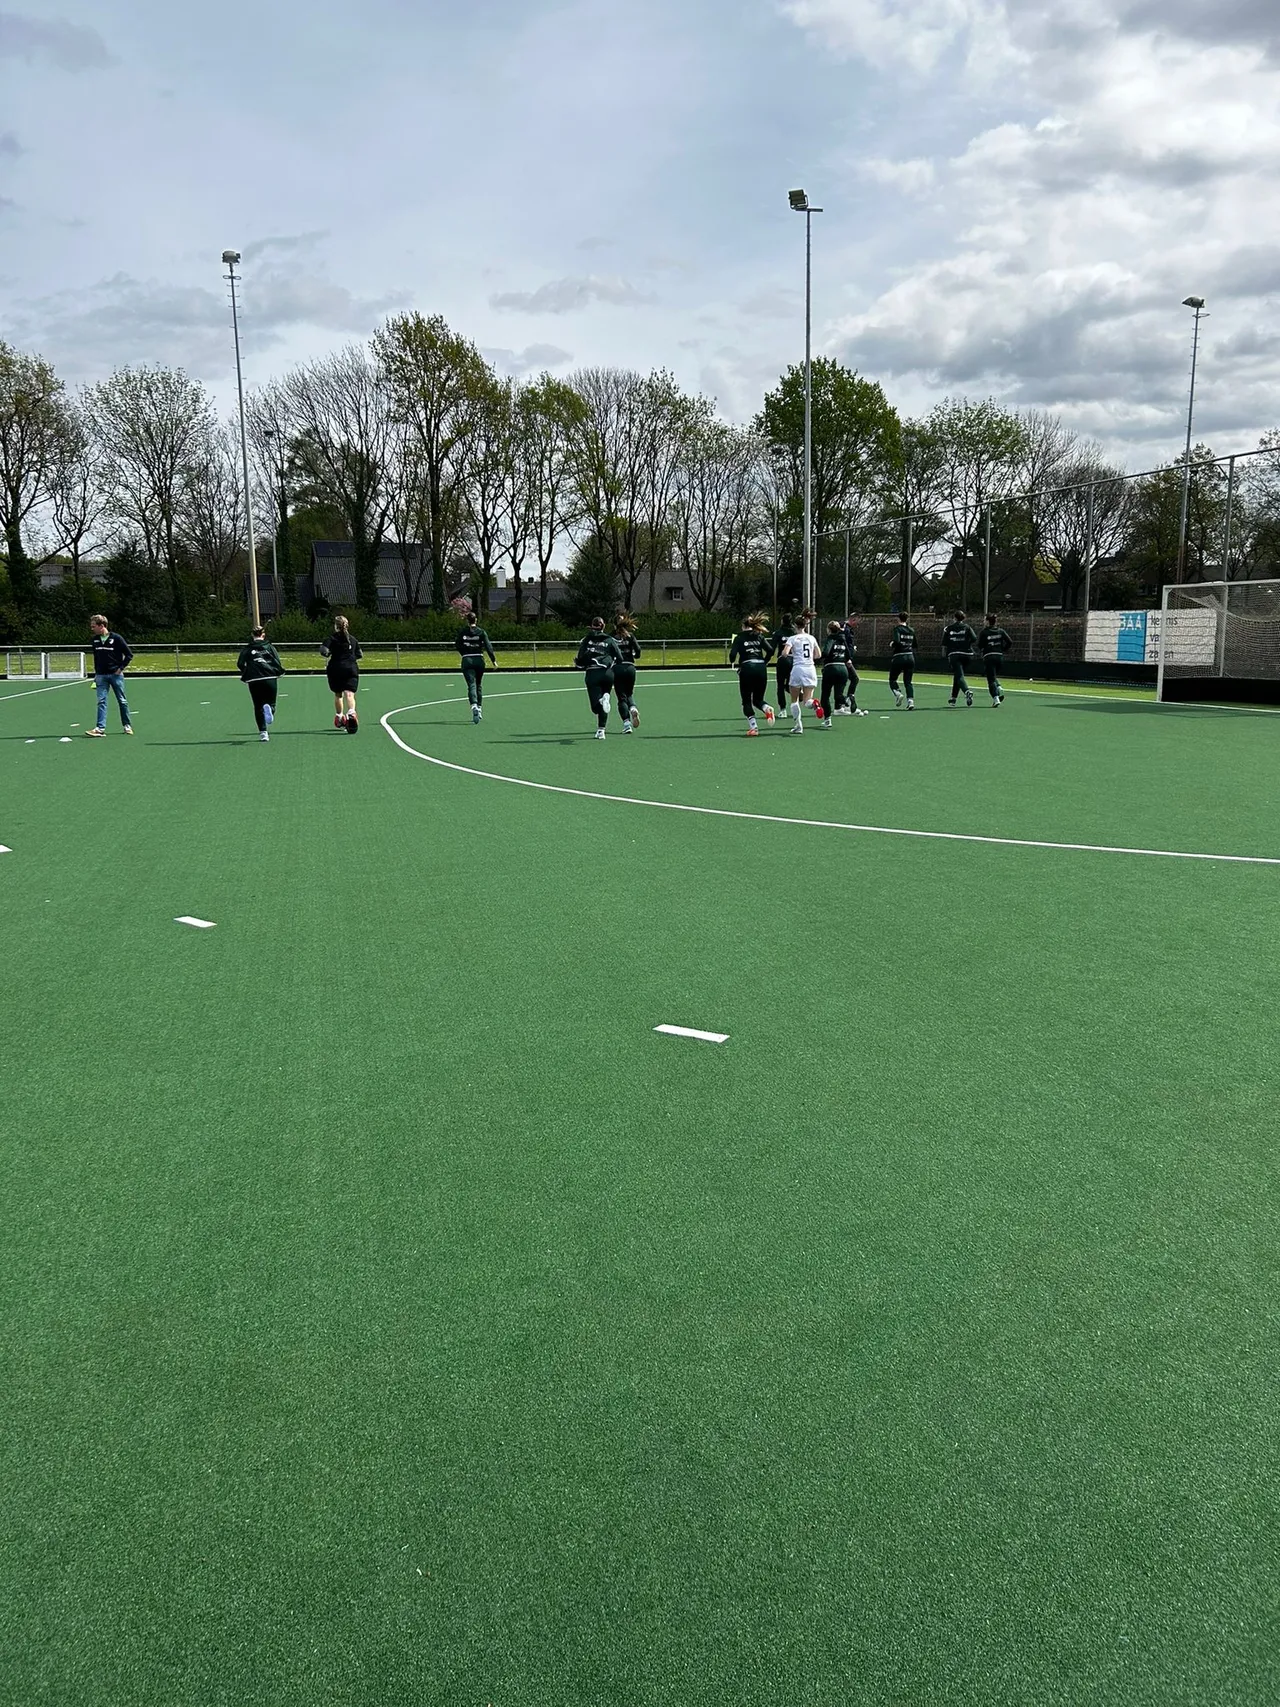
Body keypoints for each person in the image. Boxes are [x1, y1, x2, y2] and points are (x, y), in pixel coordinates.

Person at [84, 614, 134, 737]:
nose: (92, 629)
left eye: (94, 626)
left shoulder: (116, 638)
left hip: (115, 675)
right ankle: (100, 728)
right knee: (101, 701)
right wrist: (96, 674)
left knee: (122, 701)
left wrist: (120, 668)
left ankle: (127, 725)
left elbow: (129, 655)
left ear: (102, 626)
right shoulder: (95, 640)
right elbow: (96, 658)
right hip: (101, 676)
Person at [574, 616, 624, 739]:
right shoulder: (609, 640)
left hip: (593, 673)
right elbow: (620, 658)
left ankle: (602, 701)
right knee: (604, 701)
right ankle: (601, 730)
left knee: (596, 707)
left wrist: (581, 662)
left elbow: (580, 657)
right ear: (603, 626)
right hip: (608, 674)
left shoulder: (587, 639)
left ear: (592, 625)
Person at [237, 625, 285, 742]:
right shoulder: (269, 647)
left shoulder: (247, 649)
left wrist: (246, 672)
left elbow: (240, 663)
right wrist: (278, 672)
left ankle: (263, 733)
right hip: (269, 677)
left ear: (252, 635)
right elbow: (277, 661)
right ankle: (270, 709)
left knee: (258, 706)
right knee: (272, 703)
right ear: (263, 635)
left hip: (254, 679)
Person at [728, 614, 775, 735]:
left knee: (747, 701)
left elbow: (732, 656)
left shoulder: (739, 637)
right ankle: (766, 708)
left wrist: (733, 660)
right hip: (761, 668)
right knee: (758, 699)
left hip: (747, 668)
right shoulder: (759, 636)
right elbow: (770, 650)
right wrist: (765, 661)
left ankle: (754, 727)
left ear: (743, 626)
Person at [320, 614, 362, 732]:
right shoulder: (353, 639)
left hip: (336, 668)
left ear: (335, 626)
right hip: (351, 668)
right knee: (350, 693)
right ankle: (351, 713)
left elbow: (323, 651)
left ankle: (339, 716)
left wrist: (330, 653)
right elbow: (360, 654)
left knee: (338, 694)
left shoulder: (331, 638)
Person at [781, 611, 820, 734]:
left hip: (798, 669)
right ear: (805, 625)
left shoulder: (792, 638)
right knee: (807, 700)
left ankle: (798, 726)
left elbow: (785, 653)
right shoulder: (811, 638)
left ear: (795, 625)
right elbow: (818, 654)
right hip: (810, 669)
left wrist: (791, 653)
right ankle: (814, 703)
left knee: (794, 700)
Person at [456, 614, 496, 723]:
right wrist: (493, 660)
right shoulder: (481, 632)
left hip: (467, 660)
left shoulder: (463, 632)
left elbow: (457, 644)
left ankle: (474, 705)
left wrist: (464, 653)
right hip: (479, 660)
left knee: (471, 684)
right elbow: (488, 646)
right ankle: (479, 708)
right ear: (476, 620)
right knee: (478, 684)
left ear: (467, 621)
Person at [611, 613, 643, 731]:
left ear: (614, 625)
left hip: (617, 668)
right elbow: (638, 650)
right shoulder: (630, 636)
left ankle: (627, 724)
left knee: (621, 698)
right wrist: (636, 656)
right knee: (629, 693)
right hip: (630, 668)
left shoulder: (611, 637)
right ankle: (633, 708)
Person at [818, 622, 853, 726]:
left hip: (831, 668)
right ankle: (847, 699)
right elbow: (848, 655)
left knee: (825, 696)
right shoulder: (843, 639)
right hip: (843, 669)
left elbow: (826, 652)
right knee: (838, 695)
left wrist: (819, 657)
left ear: (829, 630)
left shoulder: (831, 639)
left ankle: (827, 720)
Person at [942, 608, 978, 707]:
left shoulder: (948, 628)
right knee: (958, 675)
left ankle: (967, 692)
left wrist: (953, 643)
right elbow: (974, 638)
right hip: (967, 655)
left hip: (954, 655)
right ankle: (953, 698)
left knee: (959, 675)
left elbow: (944, 642)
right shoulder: (967, 627)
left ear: (954, 618)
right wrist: (966, 643)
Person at [977, 612, 1013, 706]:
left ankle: (996, 698)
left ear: (988, 621)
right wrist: (1002, 650)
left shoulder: (984, 632)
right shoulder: (1001, 631)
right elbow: (1009, 642)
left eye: (985, 620)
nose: (984, 622)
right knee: (992, 675)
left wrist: (985, 648)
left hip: (989, 657)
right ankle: (999, 687)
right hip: (999, 657)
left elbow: (979, 645)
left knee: (991, 680)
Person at [772, 606, 798, 721]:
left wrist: (765, 660)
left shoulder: (778, 633)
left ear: (782, 621)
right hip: (794, 660)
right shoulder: (795, 633)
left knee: (780, 685)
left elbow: (771, 648)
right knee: (792, 684)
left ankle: (783, 710)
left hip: (782, 660)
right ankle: (797, 704)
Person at [888, 616, 917, 709]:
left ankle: (898, 693)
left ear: (898, 619)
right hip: (910, 657)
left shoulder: (897, 629)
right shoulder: (911, 630)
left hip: (899, 656)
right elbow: (915, 644)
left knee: (892, 679)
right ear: (907, 619)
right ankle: (911, 701)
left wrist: (892, 644)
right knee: (908, 682)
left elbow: (897, 641)